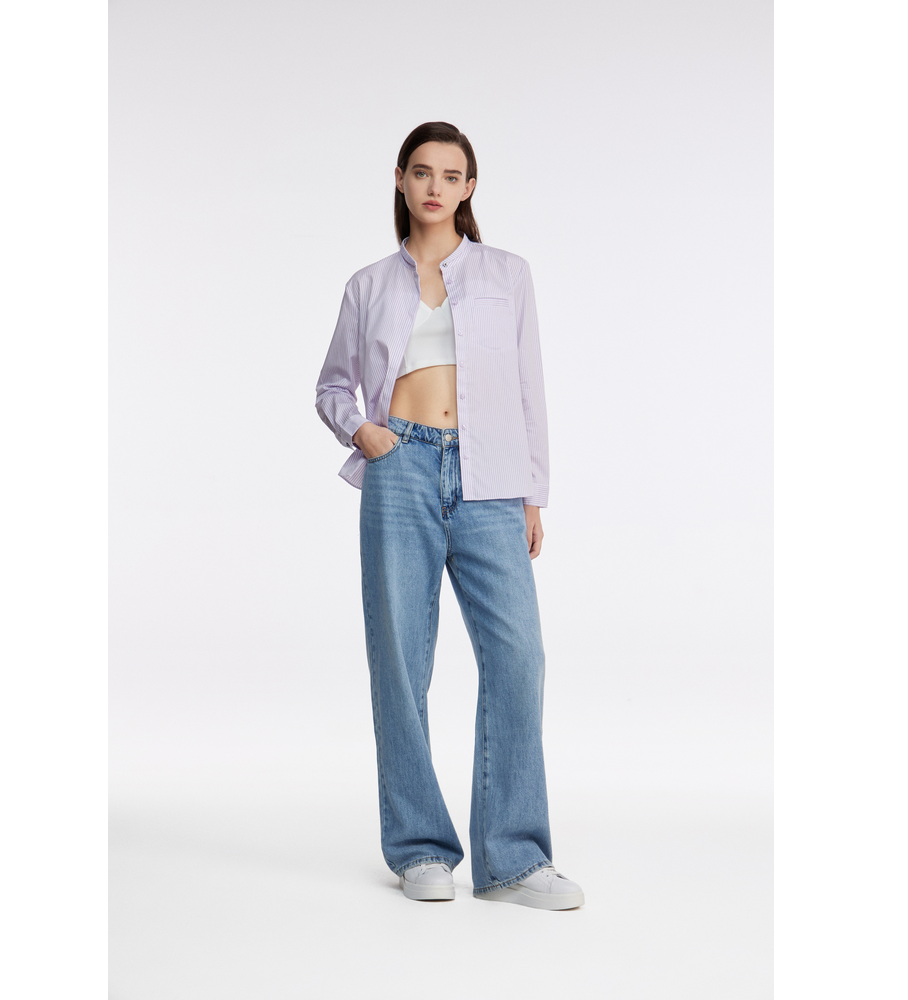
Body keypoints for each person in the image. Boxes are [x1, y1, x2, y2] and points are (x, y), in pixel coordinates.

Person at [314, 122, 583, 910]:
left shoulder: (507, 274)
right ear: (401, 179)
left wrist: (533, 493)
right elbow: (331, 385)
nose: (436, 186)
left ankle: (514, 862)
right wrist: (362, 431)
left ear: (469, 188)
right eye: (423, 172)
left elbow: (529, 386)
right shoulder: (368, 285)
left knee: (519, 657)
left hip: (490, 477)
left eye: (452, 174)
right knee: (401, 661)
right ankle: (420, 848)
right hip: (399, 468)